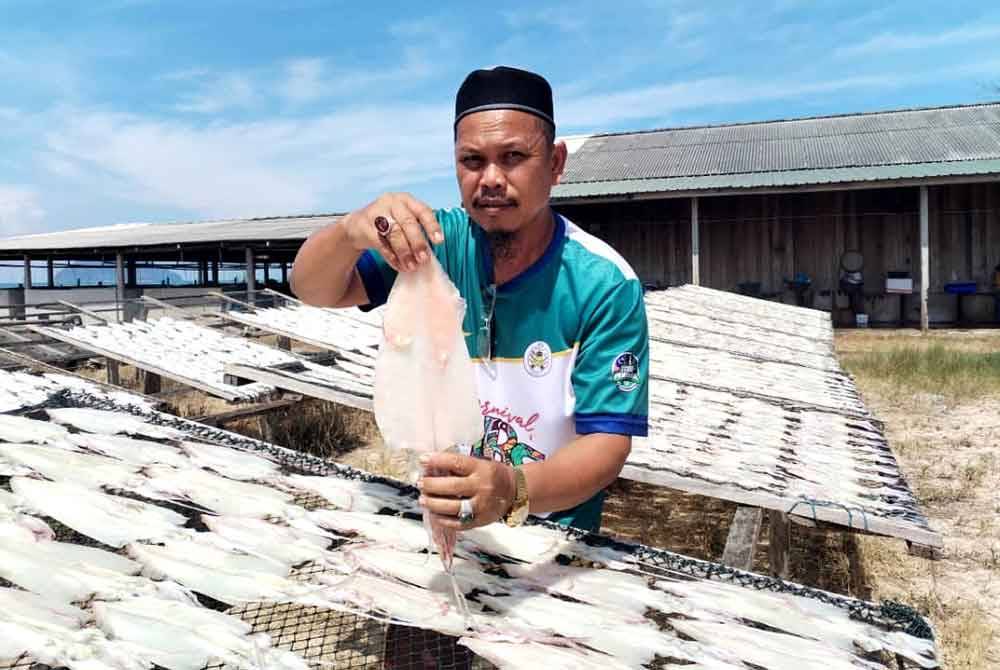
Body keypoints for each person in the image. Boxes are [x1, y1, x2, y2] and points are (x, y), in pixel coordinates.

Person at [291, 65, 649, 536]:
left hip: (551, 533)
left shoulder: (604, 283)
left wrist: (512, 489)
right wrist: (348, 232)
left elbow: (607, 444)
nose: (492, 178)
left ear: (556, 163)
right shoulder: (431, 244)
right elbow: (313, 288)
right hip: (444, 518)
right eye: (473, 161)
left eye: (514, 156)